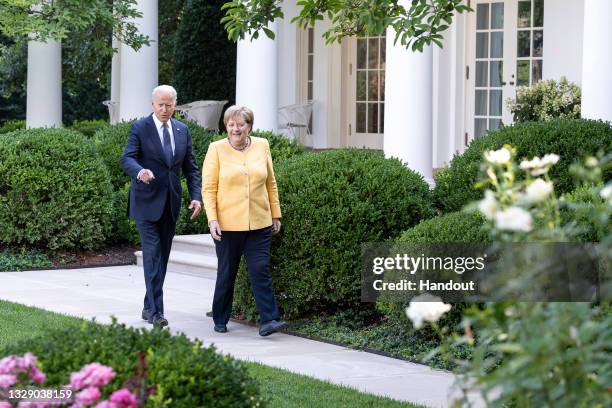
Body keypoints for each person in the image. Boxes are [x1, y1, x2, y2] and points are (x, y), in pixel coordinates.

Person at [120, 85, 202, 328]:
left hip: (171, 203)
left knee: (162, 258)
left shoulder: (181, 130)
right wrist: (140, 171)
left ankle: (147, 306)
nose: (165, 109)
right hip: (145, 203)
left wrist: (196, 196)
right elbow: (127, 158)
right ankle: (157, 313)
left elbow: (191, 168)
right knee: (153, 255)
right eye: (161, 105)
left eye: (169, 105)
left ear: (175, 105)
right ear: (152, 105)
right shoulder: (140, 128)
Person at [202, 105, 287, 336]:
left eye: (240, 124)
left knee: (260, 269)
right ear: (226, 126)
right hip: (227, 226)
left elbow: (271, 182)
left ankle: (269, 320)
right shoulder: (216, 149)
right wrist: (212, 220)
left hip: (259, 222)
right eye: (231, 124)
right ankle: (220, 317)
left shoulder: (262, 145)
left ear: (249, 126)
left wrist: (275, 213)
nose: (235, 129)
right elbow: (208, 189)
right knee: (227, 272)